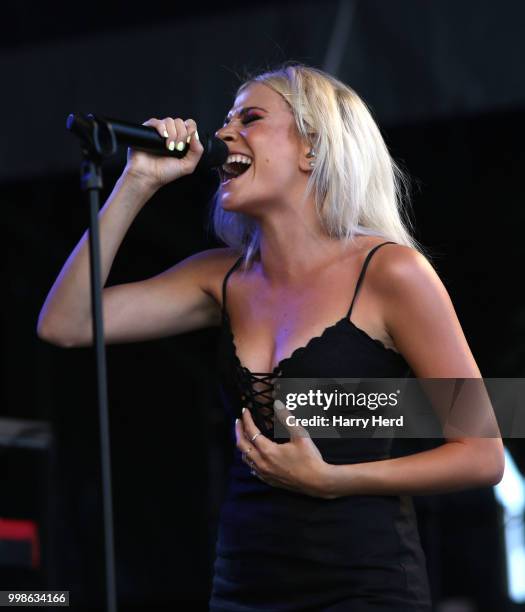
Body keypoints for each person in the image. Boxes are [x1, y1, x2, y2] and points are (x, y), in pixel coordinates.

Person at [37, 63, 504, 611]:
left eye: (250, 118)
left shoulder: (391, 273)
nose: (223, 134)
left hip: (364, 586)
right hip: (243, 583)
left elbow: (481, 454)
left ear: (313, 148)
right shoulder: (220, 278)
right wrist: (136, 181)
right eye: (227, 120)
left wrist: (334, 480)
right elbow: (65, 324)